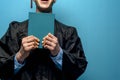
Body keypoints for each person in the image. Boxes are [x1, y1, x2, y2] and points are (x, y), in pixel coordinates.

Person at [0, 0, 87, 80]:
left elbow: (78, 69)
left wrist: (58, 53)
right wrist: (20, 56)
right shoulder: (15, 30)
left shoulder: (69, 33)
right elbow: (2, 71)